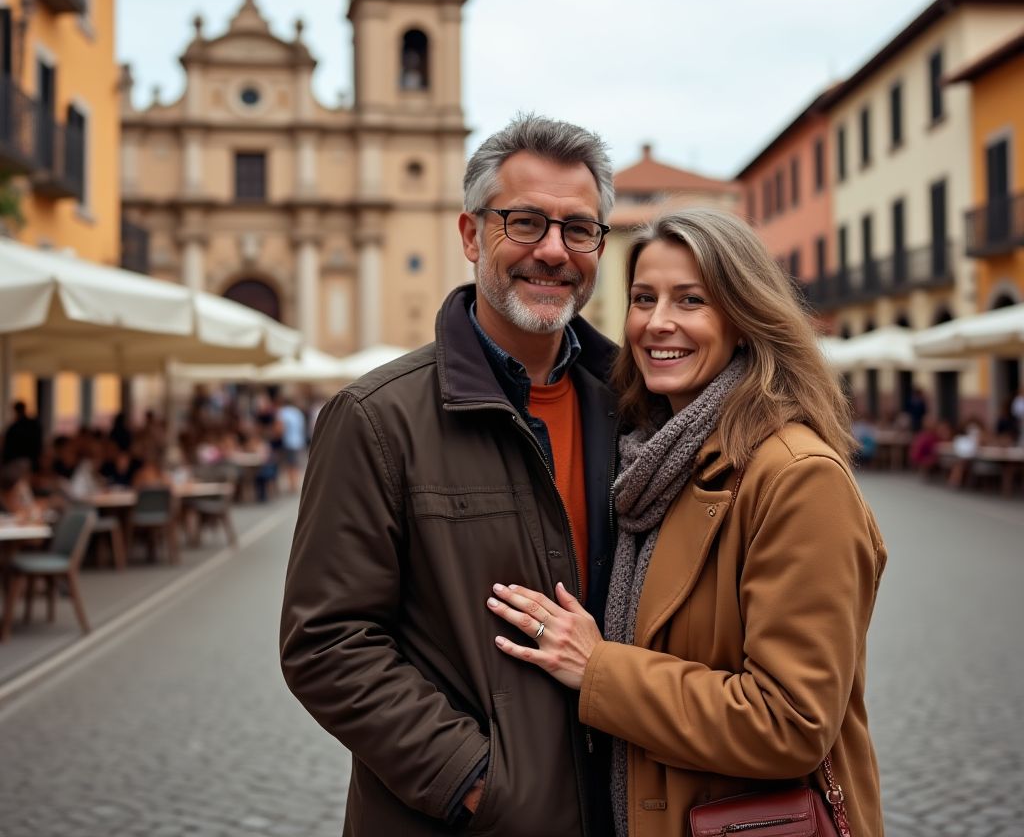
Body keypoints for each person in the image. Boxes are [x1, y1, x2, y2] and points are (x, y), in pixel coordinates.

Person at [487, 209, 886, 837]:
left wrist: (599, 669)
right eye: (643, 298)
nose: (657, 323)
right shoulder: (649, 463)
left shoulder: (796, 476)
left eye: (691, 300)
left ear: (744, 319)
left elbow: (792, 724)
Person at [281, 113, 619, 836]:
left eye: (579, 229)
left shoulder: (634, 411)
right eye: (524, 223)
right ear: (471, 236)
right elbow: (327, 642)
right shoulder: (375, 418)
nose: (554, 251)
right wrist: (481, 787)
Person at [274, 394, 307, 494]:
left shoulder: (282, 412)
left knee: (290, 464)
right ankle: (295, 484)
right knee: (295, 464)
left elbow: (280, 429)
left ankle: (292, 486)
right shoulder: (297, 412)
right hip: (299, 441)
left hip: (288, 441)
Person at [2, 401, 43, 468]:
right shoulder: (34, 424)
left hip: (17, 460)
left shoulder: (14, 428)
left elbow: (8, 447)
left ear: (15, 411)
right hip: (33, 460)